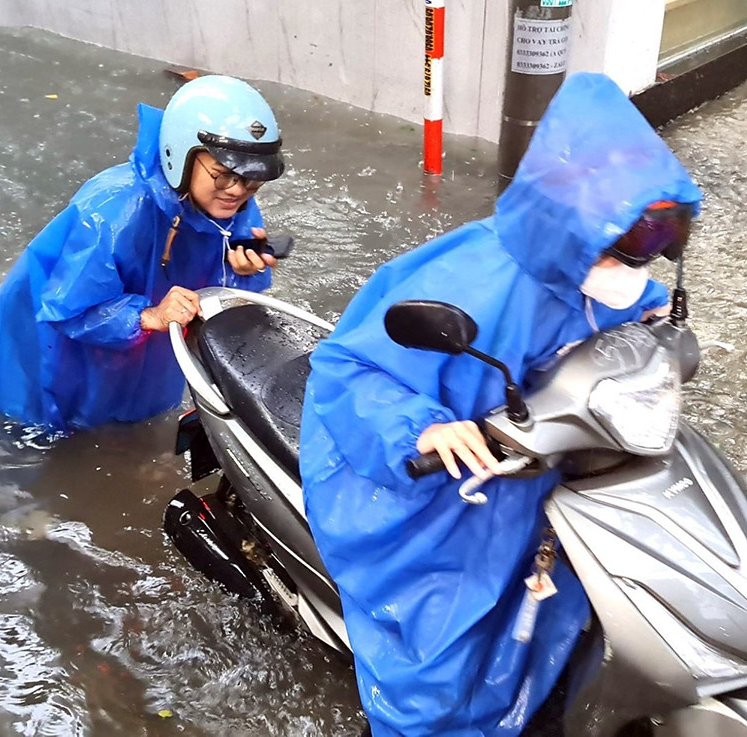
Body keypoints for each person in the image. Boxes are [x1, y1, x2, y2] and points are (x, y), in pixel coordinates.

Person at [299, 73, 702, 736]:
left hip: (551, 478)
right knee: (435, 676)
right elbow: (345, 368)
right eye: (632, 238)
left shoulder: (615, 274)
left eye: (663, 239)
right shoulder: (474, 278)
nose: (645, 256)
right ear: (574, 222)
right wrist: (421, 429)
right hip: (445, 494)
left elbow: (622, 324)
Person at [0, 76, 285, 432]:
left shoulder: (231, 203)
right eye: (222, 176)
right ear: (181, 157)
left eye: (252, 181)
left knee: (131, 432)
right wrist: (148, 316)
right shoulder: (113, 210)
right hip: (48, 355)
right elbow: (69, 311)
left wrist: (244, 273)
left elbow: (215, 294)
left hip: (142, 361)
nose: (238, 190)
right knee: (30, 439)